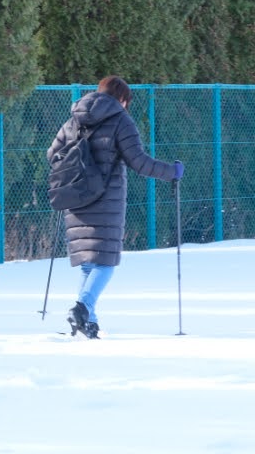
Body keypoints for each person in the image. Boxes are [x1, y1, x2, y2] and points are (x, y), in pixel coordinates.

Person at [47, 75, 184, 338]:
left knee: (89, 262)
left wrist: (77, 168)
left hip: (75, 197)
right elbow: (139, 161)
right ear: (122, 99)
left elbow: (53, 154)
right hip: (106, 201)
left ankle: (89, 321)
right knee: (105, 262)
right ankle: (82, 308)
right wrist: (172, 172)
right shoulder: (121, 120)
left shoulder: (74, 119)